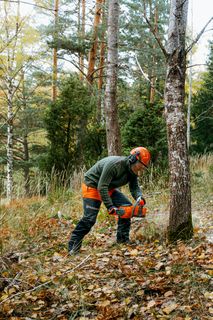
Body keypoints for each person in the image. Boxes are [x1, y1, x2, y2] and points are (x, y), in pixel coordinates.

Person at [68, 146, 151, 255]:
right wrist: (110, 206)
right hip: (93, 185)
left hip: (108, 188)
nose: (141, 169)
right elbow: (101, 187)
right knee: (89, 219)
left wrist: (139, 197)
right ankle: (73, 246)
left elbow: (134, 187)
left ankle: (122, 241)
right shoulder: (114, 165)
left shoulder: (132, 171)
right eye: (141, 165)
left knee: (126, 208)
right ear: (134, 159)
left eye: (143, 167)